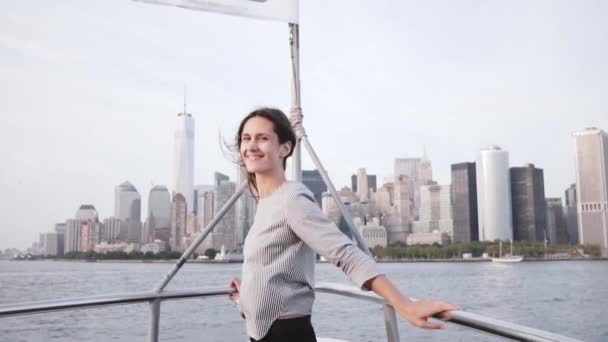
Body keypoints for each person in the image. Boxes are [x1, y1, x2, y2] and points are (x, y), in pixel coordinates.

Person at [228, 107, 459, 342]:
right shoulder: (266, 204)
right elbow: (277, 270)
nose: (251, 146)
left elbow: (345, 253)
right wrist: (246, 294)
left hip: (285, 334)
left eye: (263, 138)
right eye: (246, 139)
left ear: (285, 148)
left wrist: (405, 305)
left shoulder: (291, 199)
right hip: (263, 334)